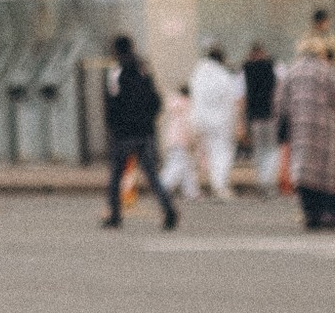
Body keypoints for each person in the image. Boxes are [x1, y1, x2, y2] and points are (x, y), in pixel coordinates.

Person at [102, 34, 177, 229]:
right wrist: (149, 119)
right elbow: (156, 100)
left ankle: (115, 214)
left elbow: (111, 103)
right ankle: (168, 208)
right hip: (145, 131)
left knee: (116, 175)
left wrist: (113, 127)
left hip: (123, 133)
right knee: (151, 174)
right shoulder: (143, 69)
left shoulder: (116, 71)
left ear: (116, 50)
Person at [282, 27, 335, 228]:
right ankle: (326, 213)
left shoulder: (292, 71)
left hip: (300, 128)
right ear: (320, 51)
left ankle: (310, 213)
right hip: (324, 127)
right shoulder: (325, 70)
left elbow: (281, 102)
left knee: (303, 170)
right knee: (324, 170)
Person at [188, 40, 243, 201]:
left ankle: (207, 184)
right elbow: (231, 101)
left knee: (208, 153)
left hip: (200, 120)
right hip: (221, 121)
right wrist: (236, 121)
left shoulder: (197, 73)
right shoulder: (224, 76)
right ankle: (219, 185)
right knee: (222, 153)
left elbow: (194, 97)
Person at [243, 38, 282, 195]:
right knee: (272, 149)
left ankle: (262, 180)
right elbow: (277, 92)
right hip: (270, 115)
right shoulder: (271, 67)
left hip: (255, 117)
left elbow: (243, 96)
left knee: (259, 150)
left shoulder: (246, 70)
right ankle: (269, 182)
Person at [157, 83, 198, 207]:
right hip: (182, 140)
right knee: (177, 166)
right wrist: (192, 140)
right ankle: (163, 186)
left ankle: (191, 191)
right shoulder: (188, 107)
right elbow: (188, 126)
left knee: (186, 167)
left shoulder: (175, 107)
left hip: (173, 139)